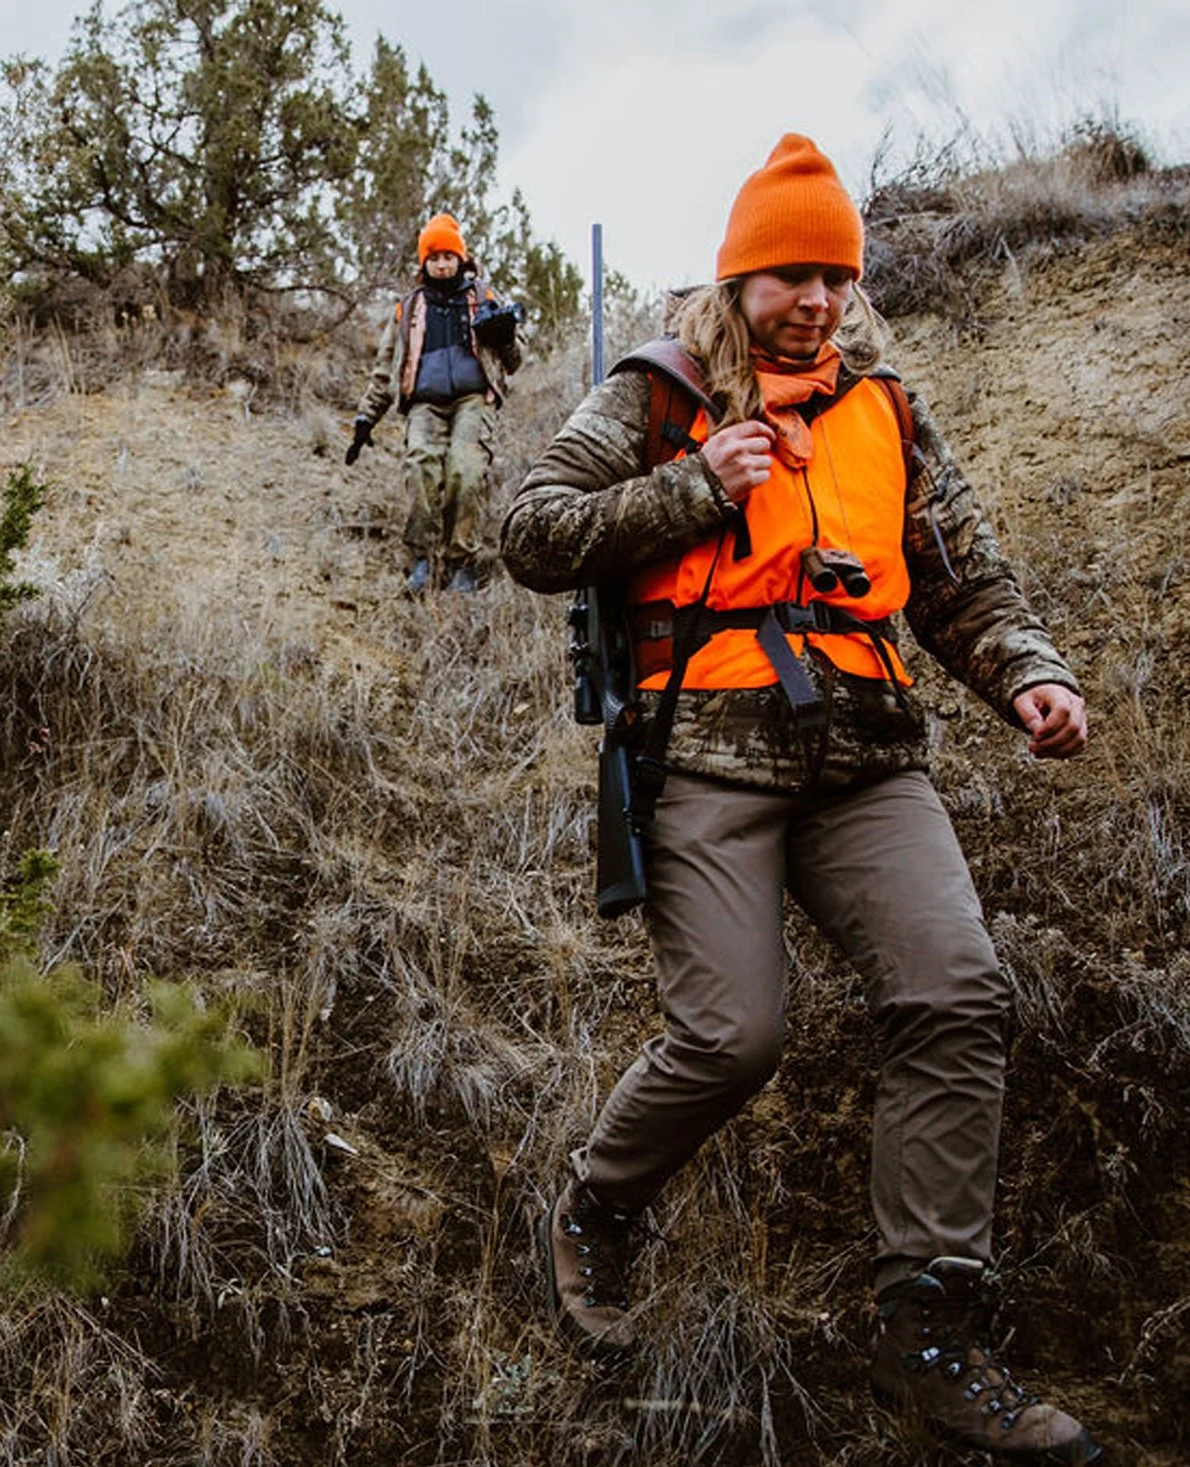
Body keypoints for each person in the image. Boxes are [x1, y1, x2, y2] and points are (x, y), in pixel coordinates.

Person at [500, 135, 1101, 1465]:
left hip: (868, 754)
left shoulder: (885, 404)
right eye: (788, 275)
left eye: (834, 274)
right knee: (735, 1032)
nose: (815, 302)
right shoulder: (660, 390)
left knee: (957, 993)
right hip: (707, 757)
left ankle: (928, 1332)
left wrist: (1033, 681)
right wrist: (691, 487)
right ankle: (600, 1200)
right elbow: (533, 527)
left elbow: (961, 576)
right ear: (739, 274)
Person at [348, 213, 523, 595]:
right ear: (423, 262)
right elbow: (385, 368)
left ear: (462, 258)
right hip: (424, 404)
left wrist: (505, 336)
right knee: (420, 469)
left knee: (465, 470)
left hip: (473, 399)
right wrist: (366, 416)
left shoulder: (485, 298)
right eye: (434, 256)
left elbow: (515, 359)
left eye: (449, 255)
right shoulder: (408, 308)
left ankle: (462, 564)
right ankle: (422, 562)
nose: (442, 264)